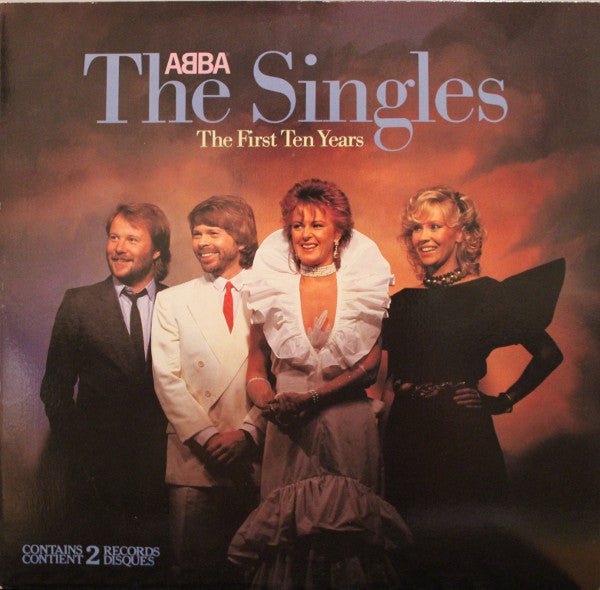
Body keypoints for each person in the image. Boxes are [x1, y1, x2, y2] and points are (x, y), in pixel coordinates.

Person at [228, 179, 411, 589]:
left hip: (347, 424)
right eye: (297, 226)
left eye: (317, 225)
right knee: (287, 535)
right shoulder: (269, 287)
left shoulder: (362, 285)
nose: (305, 234)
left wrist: (312, 398)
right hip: (288, 429)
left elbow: (369, 367)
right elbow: (256, 367)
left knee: (348, 535)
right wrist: (270, 402)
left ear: (339, 233)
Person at [382, 187, 565, 525]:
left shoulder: (488, 294)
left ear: (462, 234)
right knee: (409, 538)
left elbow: (548, 353)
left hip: (462, 435)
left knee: (467, 538)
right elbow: (387, 382)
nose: (423, 237)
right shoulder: (401, 301)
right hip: (406, 435)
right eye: (417, 228)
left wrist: (503, 400)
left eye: (435, 226)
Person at [40, 202, 171, 543]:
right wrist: (80, 454)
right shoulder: (78, 304)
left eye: (131, 239)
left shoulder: (180, 303)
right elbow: (54, 390)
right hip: (95, 478)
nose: (118, 248)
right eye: (114, 237)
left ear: (157, 250)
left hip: (165, 474)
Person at [151, 195, 265, 585]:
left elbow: (285, 373)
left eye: (213, 232)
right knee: (191, 571)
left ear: (242, 239)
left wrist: (248, 432)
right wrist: (207, 436)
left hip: (257, 454)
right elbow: (166, 378)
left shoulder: (275, 295)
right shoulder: (171, 300)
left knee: (254, 571)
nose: (201, 242)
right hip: (194, 458)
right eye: (197, 233)